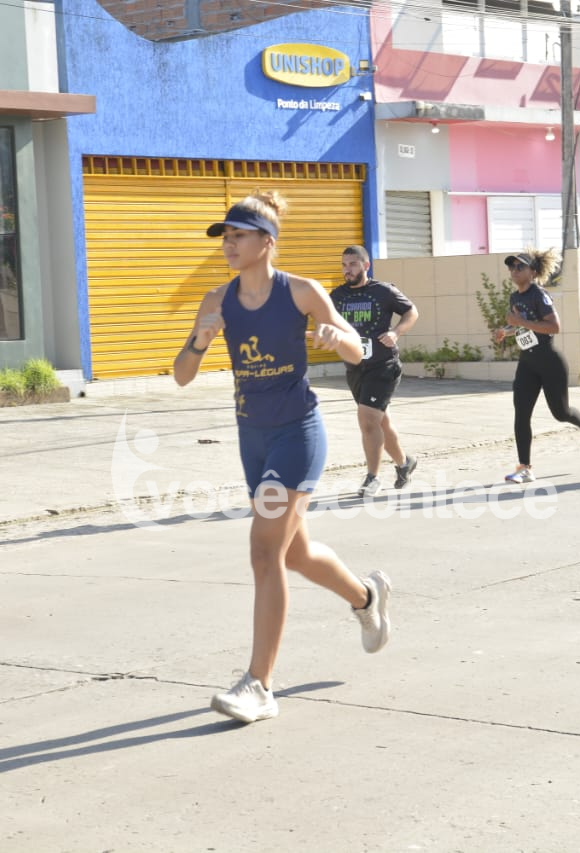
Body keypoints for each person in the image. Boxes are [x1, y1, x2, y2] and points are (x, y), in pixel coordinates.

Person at [172, 191, 392, 724]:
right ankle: (366, 597)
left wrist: (335, 336)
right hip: (252, 436)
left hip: (298, 433)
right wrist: (200, 341)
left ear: (266, 242)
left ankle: (259, 686)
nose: (228, 245)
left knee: (264, 552)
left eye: (238, 236)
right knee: (295, 554)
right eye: (225, 237)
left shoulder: (301, 291)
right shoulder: (216, 300)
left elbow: (358, 350)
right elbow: (181, 375)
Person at [493, 249, 580, 484]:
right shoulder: (515, 298)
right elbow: (522, 326)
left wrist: (519, 321)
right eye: (511, 267)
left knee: (561, 413)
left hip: (550, 363)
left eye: (520, 267)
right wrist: (506, 331)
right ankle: (524, 468)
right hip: (527, 364)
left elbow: (554, 326)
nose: (514, 271)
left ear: (532, 272)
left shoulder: (539, 295)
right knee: (521, 414)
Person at [329, 245, 420, 497]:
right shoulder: (337, 296)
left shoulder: (383, 291)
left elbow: (411, 311)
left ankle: (372, 478)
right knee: (380, 422)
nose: (347, 270)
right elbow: (326, 320)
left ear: (366, 265)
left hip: (383, 366)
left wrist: (396, 332)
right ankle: (404, 463)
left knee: (368, 420)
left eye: (353, 264)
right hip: (355, 368)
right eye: (344, 265)